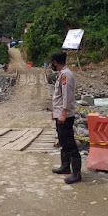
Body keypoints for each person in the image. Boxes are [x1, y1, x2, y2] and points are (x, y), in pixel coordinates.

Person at [48, 51, 82, 184]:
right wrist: (56, 113)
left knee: (70, 144)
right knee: (63, 141)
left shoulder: (66, 75)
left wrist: (62, 113)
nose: (52, 65)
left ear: (56, 62)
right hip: (60, 114)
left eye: (53, 62)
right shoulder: (62, 75)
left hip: (65, 116)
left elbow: (67, 96)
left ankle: (77, 173)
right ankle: (65, 166)